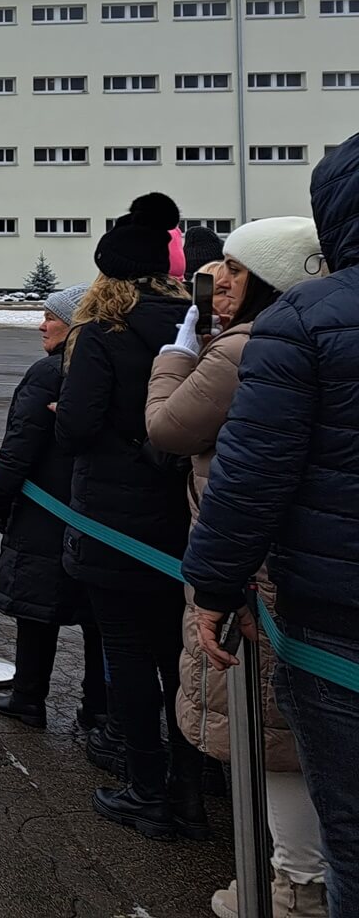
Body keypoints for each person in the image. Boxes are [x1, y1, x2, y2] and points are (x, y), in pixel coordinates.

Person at [185, 135, 359, 916]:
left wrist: (212, 587)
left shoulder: (306, 321)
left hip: (335, 617)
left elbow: (250, 476)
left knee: (350, 835)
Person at [148, 219, 329, 916]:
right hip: (302, 564)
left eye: (235, 267)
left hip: (257, 574)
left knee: (276, 737)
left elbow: (168, 428)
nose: (217, 278)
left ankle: (292, 887)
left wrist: (176, 356)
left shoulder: (245, 349)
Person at [52, 192, 200, 842]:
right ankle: (194, 793)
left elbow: (79, 426)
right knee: (182, 658)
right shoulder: (193, 325)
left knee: (130, 655)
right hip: (182, 519)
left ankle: (147, 788)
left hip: (113, 524)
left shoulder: (100, 335)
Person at [0, 284, 107, 733]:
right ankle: (99, 709)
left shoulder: (48, 372)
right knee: (98, 619)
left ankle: (28, 697)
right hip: (96, 514)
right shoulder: (105, 368)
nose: (42, 324)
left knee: (37, 610)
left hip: (43, 508)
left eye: (50, 316)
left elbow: (20, 446)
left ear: (73, 324)